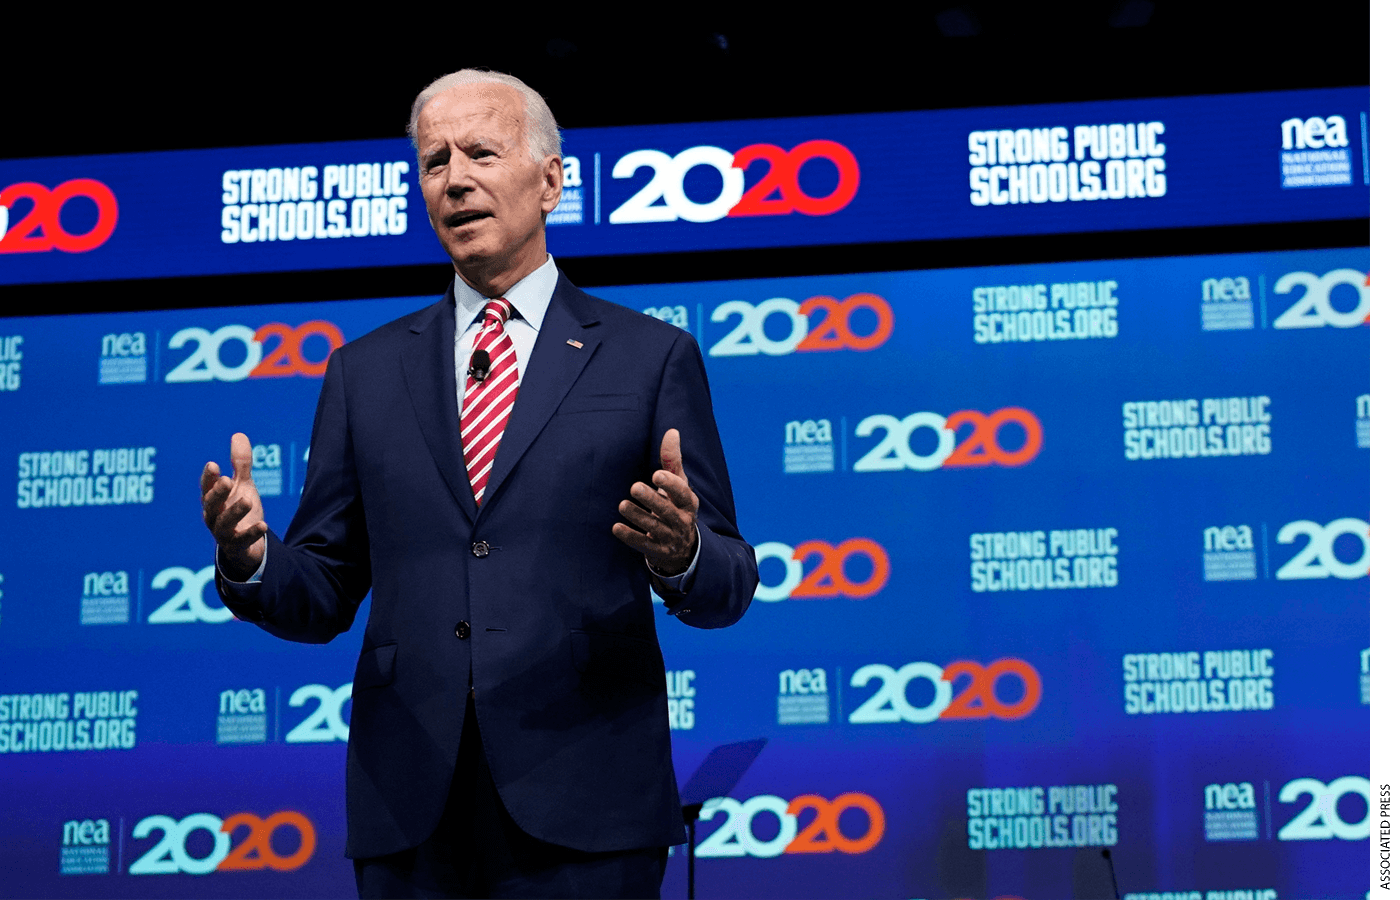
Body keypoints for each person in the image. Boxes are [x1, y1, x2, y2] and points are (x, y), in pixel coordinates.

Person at [199, 68, 757, 899]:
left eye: (481, 153)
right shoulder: (364, 373)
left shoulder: (650, 358)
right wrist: (251, 559)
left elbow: (728, 583)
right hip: (411, 812)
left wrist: (681, 555)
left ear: (550, 181)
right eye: (434, 162)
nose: (455, 178)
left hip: (590, 806)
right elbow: (321, 592)